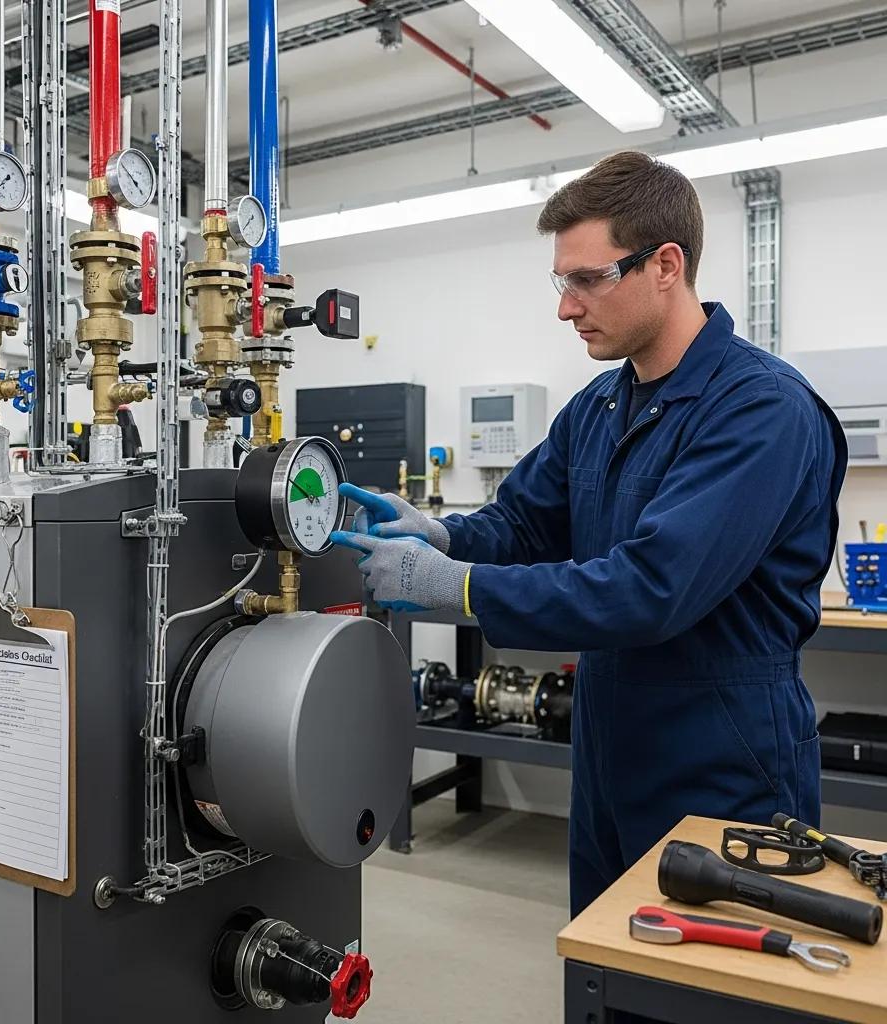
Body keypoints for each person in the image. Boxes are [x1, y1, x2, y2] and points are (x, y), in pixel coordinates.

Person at [331, 150, 847, 918]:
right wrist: (441, 535)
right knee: (602, 961)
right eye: (561, 282)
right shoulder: (599, 408)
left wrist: (456, 586)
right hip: (609, 745)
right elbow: (523, 523)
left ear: (666, 265)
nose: (567, 308)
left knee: (704, 974)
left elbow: (651, 589)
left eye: (588, 279)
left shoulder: (761, 409)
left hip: (723, 754)